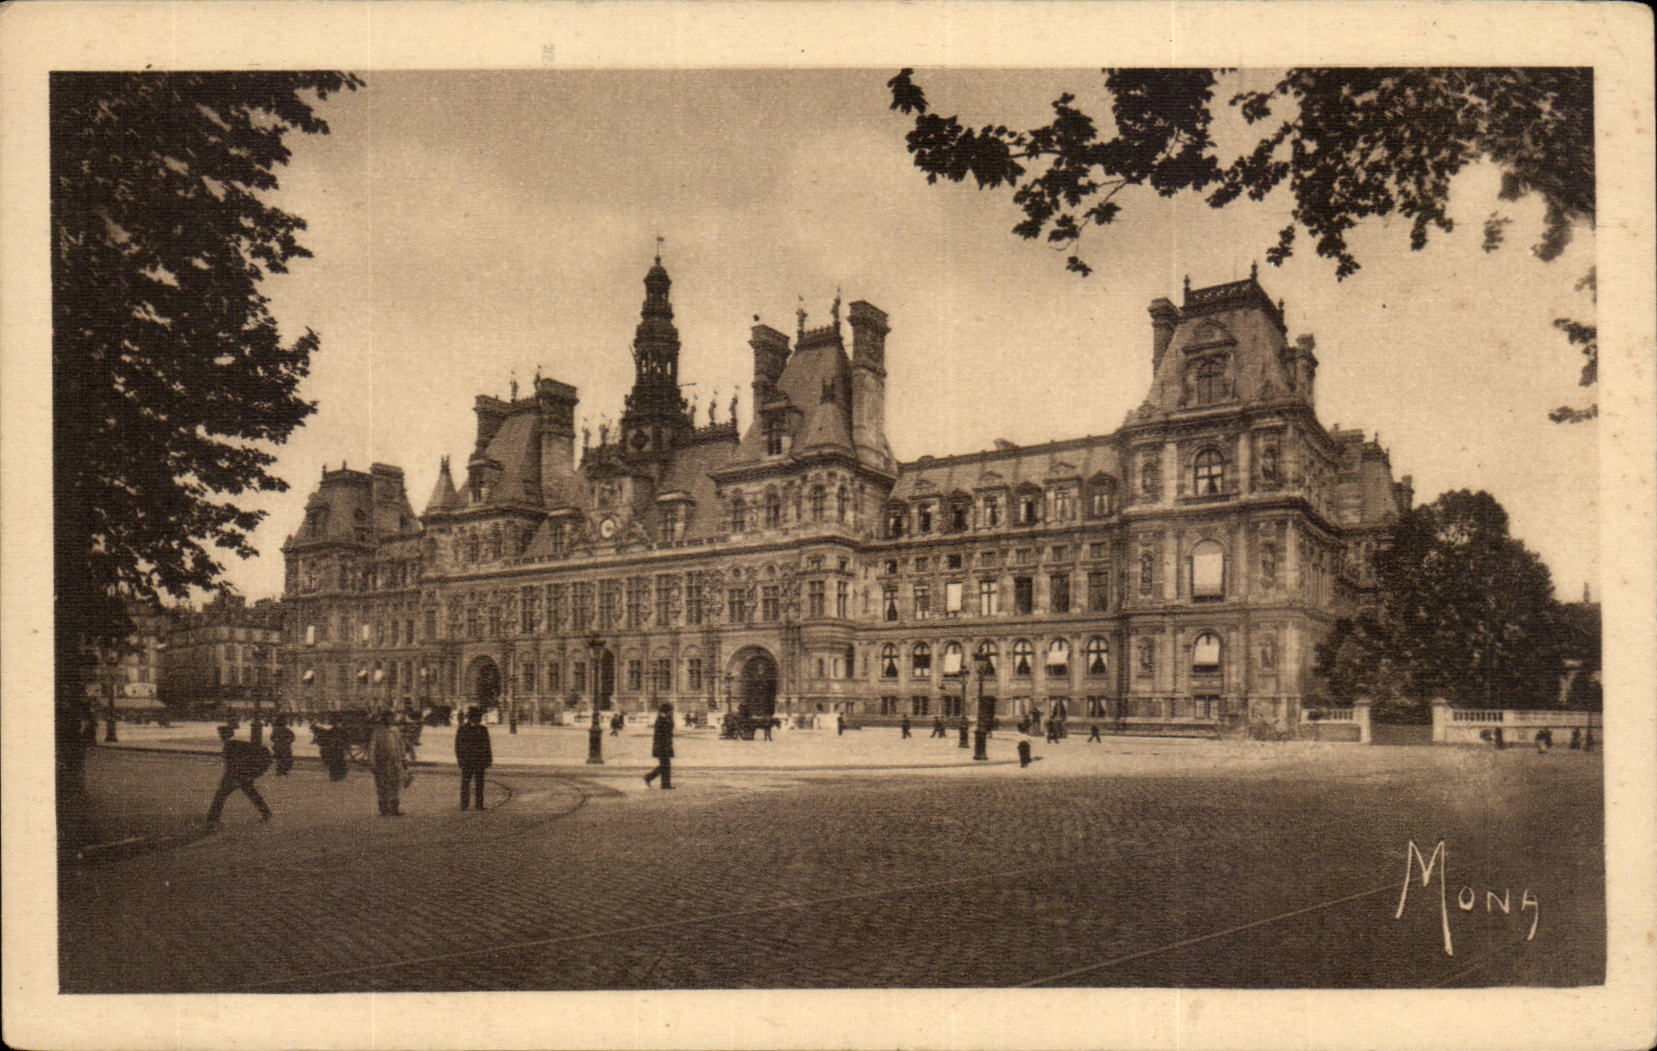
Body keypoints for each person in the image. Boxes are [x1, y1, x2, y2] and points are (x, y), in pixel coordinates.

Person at [206, 725, 272, 824]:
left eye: (221, 734)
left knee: (221, 794)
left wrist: (229, 779)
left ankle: (212, 818)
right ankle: (266, 812)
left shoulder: (229, 746)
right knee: (250, 792)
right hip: (246, 771)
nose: (220, 736)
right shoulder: (235, 744)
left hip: (242, 773)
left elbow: (231, 766)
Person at [368, 710, 407, 816]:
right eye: (389, 718)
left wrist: (404, 758)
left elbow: (400, 745)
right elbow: (372, 747)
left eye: (392, 718)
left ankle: (394, 808)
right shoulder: (377, 732)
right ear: (384, 719)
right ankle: (384, 808)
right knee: (382, 785)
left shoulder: (395, 731)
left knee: (395, 784)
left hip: (395, 762)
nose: (391, 720)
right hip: (382, 762)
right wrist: (372, 762)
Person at [455, 706, 493, 811]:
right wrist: (460, 760)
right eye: (477, 717)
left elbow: (487, 745)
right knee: (465, 783)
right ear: (471, 718)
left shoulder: (483, 729)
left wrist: (488, 759)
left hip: (480, 761)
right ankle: (464, 804)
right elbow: (458, 746)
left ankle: (479, 804)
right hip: (467, 761)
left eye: (479, 717)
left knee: (480, 783)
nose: (479, 719)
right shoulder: (462, 729)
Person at [643, 702, 675, 789]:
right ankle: (663, 783)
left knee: (664, 765)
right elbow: (662, 734)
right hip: (662, 746)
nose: (672, 712)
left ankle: (654, 779)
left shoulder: (665, 718)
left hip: (665, 745)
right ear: (667, 711)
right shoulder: (661, 720)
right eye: (671, 711)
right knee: (665, 765)